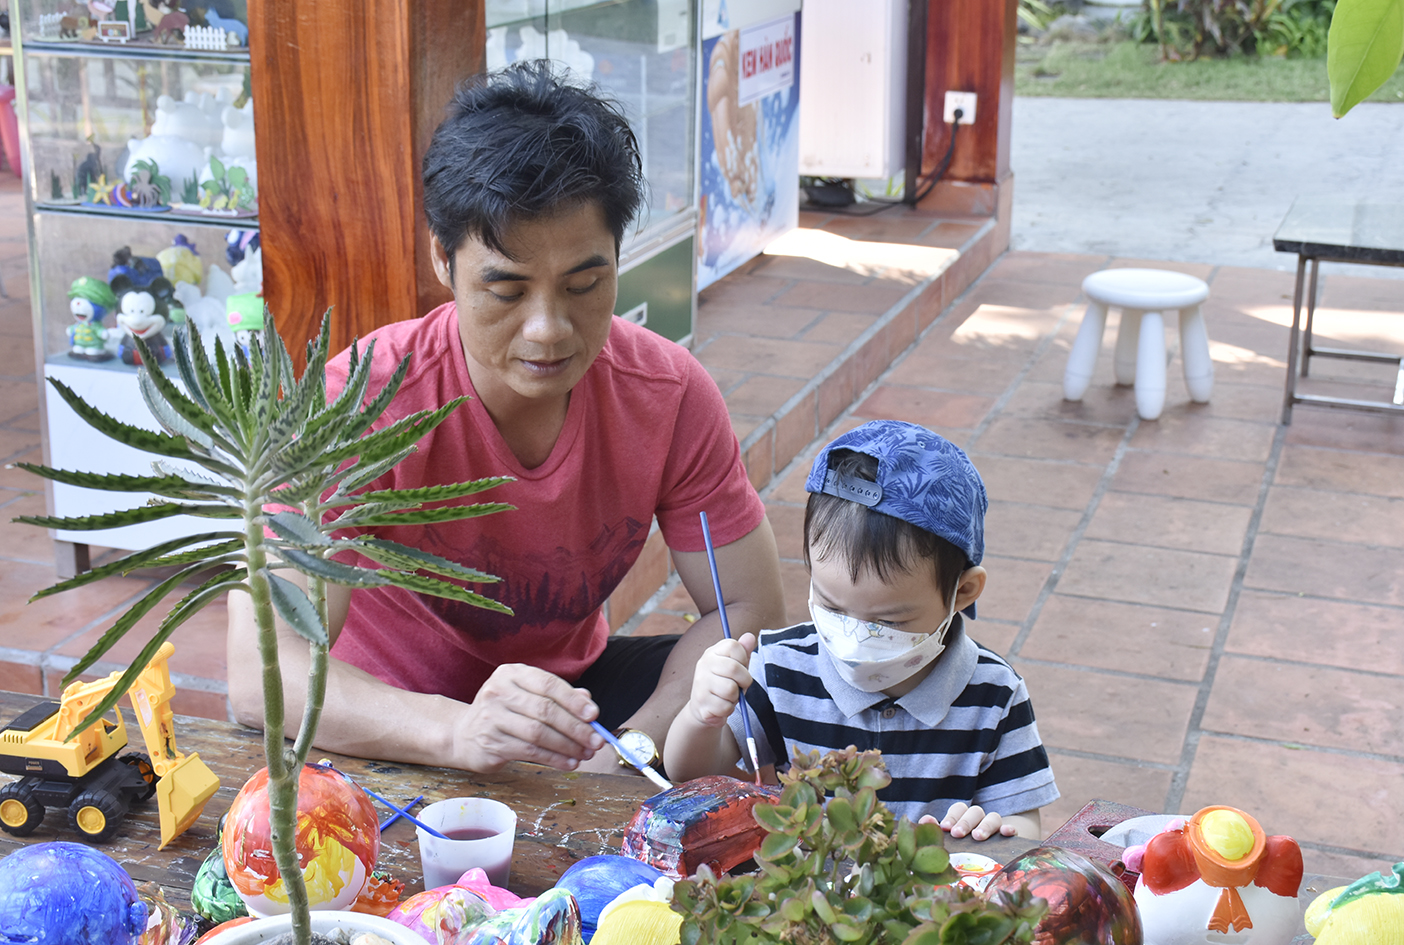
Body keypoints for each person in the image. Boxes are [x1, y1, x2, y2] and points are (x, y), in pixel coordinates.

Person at [227, 61, 786, 777]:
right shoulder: (356, 406)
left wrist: (635, 746)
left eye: (585, 284)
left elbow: (750, 604)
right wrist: (458, 733)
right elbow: (260, 673)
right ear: (442, 258)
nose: (549, 330)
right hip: (391, 713)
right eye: (506, 289)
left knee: (753, 704)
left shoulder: (669, 395)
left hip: (572, 705)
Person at [665, 420, 1058, 841]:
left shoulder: (995, 696)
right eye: (832, 606)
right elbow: (690, 774)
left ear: (962, 591)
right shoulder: (779, 668)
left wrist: (995, 831)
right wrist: (701, 717)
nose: (854, 639)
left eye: (889, 622)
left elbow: (1024, 824)